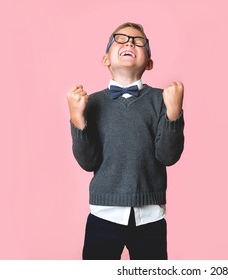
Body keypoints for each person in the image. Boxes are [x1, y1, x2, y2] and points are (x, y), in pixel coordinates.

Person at [66, 22, 185, 260]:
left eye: (139, 41)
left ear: (149, 62)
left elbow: (168, 156)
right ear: (105, 59)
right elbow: (88, 162)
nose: (129, 42)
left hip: (150, 215)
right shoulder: (92, 103)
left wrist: (174, 114)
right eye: (120, 39)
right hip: (104, 213)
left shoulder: (162, 100)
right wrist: (77, 119)